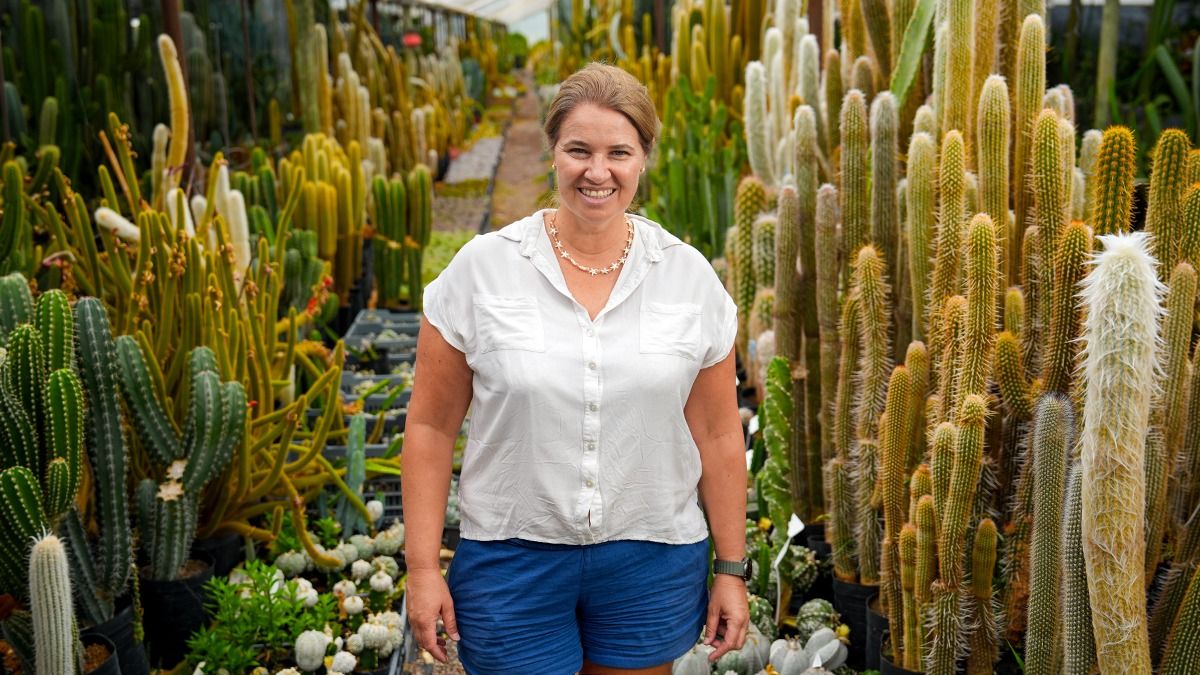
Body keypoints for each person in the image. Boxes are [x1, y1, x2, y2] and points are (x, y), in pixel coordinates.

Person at [402, 62, 749, 675]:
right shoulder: (482, 270)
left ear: (643, 159)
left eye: (619, 151)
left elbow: (720, 436)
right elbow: (430, 429)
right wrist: (423, 570)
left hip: (652, 557)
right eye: (578, 150)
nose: (598, 171)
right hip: (513, 559)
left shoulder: (687, 277)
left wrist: (731, 570)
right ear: (553, 154)